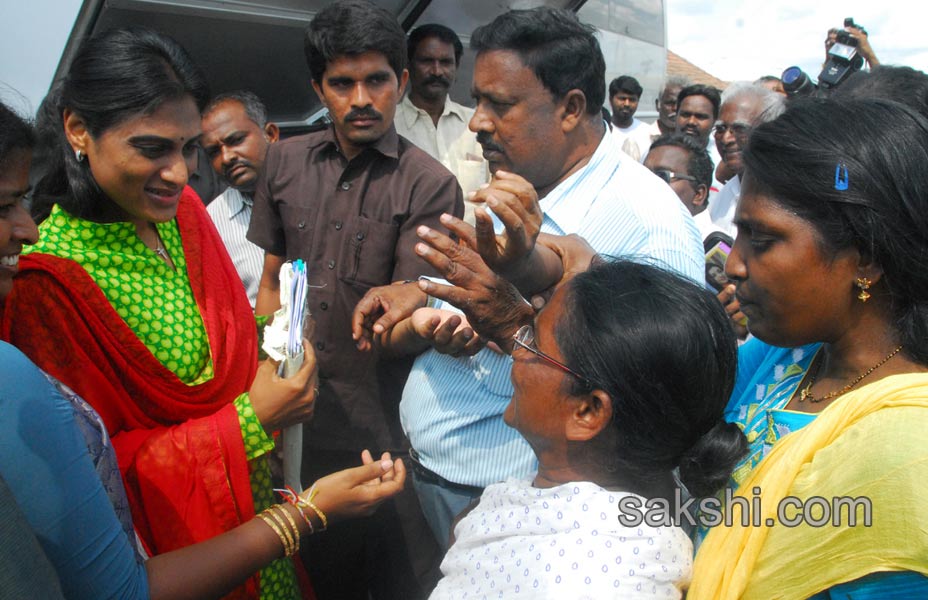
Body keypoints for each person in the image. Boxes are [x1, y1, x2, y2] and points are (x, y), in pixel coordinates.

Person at [0, 99, 404, 599]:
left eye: (189, 148)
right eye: (153, 149)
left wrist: (273, 346)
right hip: (185, 554)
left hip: (260, 509)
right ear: (79, 131)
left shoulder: (183, 214)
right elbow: (100, 488)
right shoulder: (44, 282)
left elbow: (224, 339)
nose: (180, 172)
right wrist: (250, 422)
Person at [353, 6, 704, 552]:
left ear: (571, 108)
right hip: (436, 473)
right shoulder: (524, 186)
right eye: (479, 99)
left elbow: (655, 400)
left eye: (501, 104)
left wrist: (513, 327)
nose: (477, 122)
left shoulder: (649, 227)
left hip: (518, 512)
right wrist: (418, 291)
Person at [689, 98, 928, 597]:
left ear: (866, 258)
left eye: (762, 239)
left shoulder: (921, 450)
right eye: (739, 232)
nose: (735, 264)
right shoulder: (788, 357)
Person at [248, 1, 462, 596]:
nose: (360, 98)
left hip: (377, 423)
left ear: (403, 83)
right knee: (298, 565)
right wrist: (264, 390)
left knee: (379, 572)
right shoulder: (283, 162)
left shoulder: (430, 184)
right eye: (342, 83)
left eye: (377, 80)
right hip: (287, 416)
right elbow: (270, 282)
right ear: (319, 87)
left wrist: (416, 310)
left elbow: (406, 317)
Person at [399, 246, 746, 595]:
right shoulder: (635, 507)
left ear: (588, 412)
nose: (515, 350)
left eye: (532, 341)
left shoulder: (591, 581)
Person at [394, 23, 489, 222]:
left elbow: (496, 189)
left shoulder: (478, 124)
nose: (437, 71)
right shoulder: (389, 126)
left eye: (446, 62)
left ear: (457, 66)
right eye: (427, 61)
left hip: (475, 247)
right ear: (408, 64)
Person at [201, 90, 278, 307]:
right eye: (214, 152)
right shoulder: (212, 221)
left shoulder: (319, 189)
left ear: (270, 134)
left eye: (236, 140)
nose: (227, 157)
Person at [707, 82, 784, 239]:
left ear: (771, 131)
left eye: (740, 129)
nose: (726, 138)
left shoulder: (788, 198)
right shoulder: (728, 192)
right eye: (720, 129)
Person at [642, 132, 714, 238]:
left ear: (698, 194)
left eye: (662, 175)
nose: (647, 184)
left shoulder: (719, 248)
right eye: (643, 174)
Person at [608, 75, 652, 161]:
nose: (627, 104)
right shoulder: (602, 130)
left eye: (632, 100)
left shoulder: (648, 132)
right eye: (622, 99)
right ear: (610, 100)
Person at [647, 75, 691, 143]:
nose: (675, 108)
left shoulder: (692, 141)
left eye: (681, 104)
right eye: (670, 103)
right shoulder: (640, 138)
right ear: (658, 105)